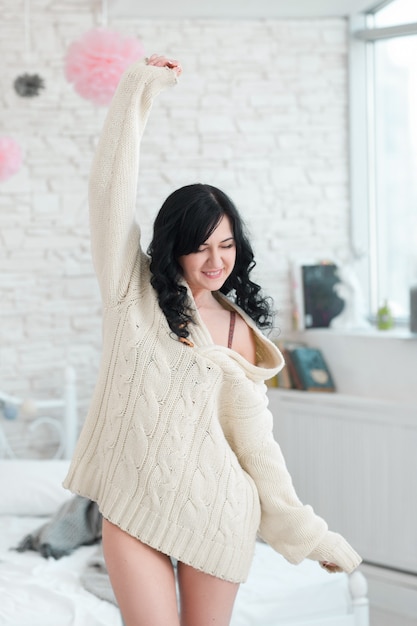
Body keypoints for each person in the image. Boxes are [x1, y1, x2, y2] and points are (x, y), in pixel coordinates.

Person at [63, 54, 362, 626]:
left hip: (217, 509)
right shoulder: (132, 293)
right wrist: (138, 90)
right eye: (201, 245)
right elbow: (109, 189)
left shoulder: (237, 329)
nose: (216, 260)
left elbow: (255, 447)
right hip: (133, 504)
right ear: (173, 245)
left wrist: (309, 534)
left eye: (226, 245)